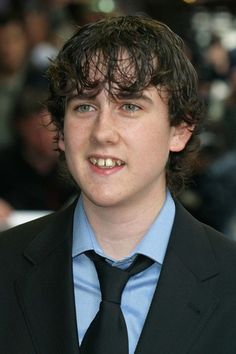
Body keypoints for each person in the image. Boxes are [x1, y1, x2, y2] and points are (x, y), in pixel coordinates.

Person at [0, 15, 236, 354]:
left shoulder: (230, 280)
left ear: (180, 129)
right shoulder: (6, 264)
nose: (102, 132)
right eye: (84, 106)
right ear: (61, 131)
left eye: (129, 105)